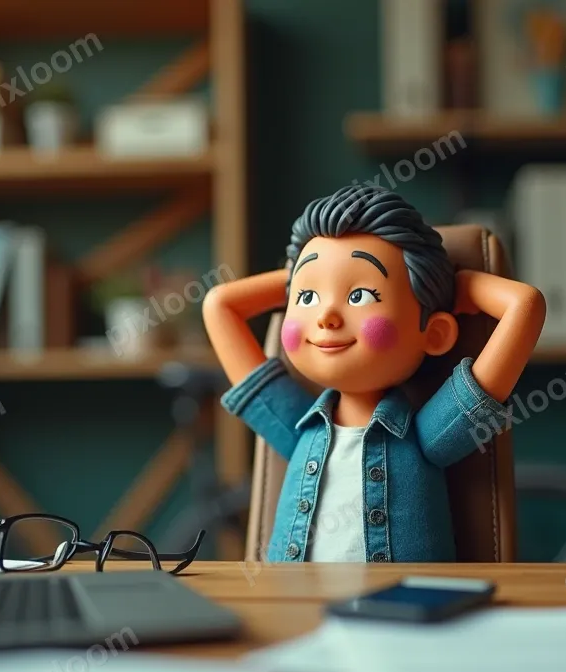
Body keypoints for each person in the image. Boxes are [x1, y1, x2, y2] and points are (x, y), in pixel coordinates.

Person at [202, 184, 545, 562]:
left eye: (359, 296)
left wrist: (460, 285)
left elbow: (525, 305)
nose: (326, 317)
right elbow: (220, 304)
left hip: (405, 597)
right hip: (293, 595)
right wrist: (297, 274)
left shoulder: (425, 436)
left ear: (435, 333)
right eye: (307, 298)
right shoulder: (296, 426)